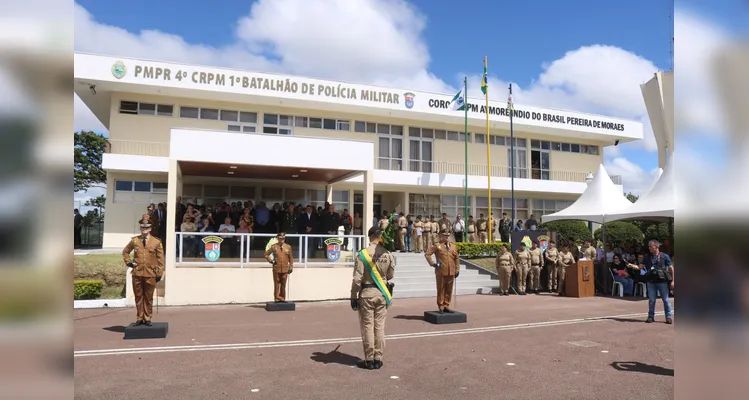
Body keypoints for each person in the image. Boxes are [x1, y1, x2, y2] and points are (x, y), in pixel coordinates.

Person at [350, 227, 395, 370]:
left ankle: (369, 359)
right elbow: (390, 276)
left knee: (368, 326)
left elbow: (357, 279)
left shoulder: (363, 254)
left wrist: (353, 296)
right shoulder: (387, 254)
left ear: (370, 237)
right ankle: (378, 358)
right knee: (379, 327)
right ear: (380, 237)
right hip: (381, 293)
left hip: (367, 293)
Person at [121, 214, 164, 326]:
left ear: (150, 228)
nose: (144, 229)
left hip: (150, 274)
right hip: (138, 272)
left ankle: (147, 317)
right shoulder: (135, 241)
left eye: (147, 227)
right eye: (142, 227)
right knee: (138, 296)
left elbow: (161, 259)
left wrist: (159, 273)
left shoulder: (156, 242)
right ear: (140, 228)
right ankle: (140, 318)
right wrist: (129, 262)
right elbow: (125, 251)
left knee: (148, 297)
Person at [628, 240, 674, 324]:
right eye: (649, 246)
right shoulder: (647, 257)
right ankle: (650, 316)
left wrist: (673, 281)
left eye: (651, 246)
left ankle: (668, 317)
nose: (649, 248)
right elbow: (639, 267)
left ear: (656, 246)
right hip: (651, 281)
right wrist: (632, 266)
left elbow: (671, 268)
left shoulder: (664, 256)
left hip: (662, 281)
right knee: (652, 300)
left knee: (666, 300)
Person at [424, 230, 460, 313]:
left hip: (451, 271)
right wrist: (433, 263)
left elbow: (457, 258)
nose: (446, 237)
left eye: (448, 236)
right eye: (445, 236)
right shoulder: (437, 245)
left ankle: (446, 305)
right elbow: (427, 254)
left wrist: (457, 270)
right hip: (441, 271)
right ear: (441, 236)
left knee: (449, 289)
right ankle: (441, 306)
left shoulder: (453, 246)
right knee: (441, 289)